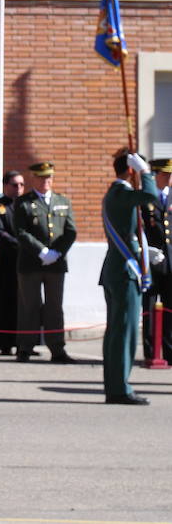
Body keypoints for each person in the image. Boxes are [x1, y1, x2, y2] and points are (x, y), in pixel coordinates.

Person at [100, 151, 159, 404]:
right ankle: (119, 389)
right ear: (131, 170)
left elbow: (128, 232)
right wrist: (146, 173)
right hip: (124, 272)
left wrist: (146, 250)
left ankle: (115, 385)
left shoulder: (117, 194)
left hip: (118, 268)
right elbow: (151, 197)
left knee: (117, 332)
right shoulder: (121, 193)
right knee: (124, 333)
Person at [13, 162, 77, 363]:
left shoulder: (63, 201)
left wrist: (57, 252)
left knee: (54, 307)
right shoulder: (23, 202)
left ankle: (57, 349)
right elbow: (21, 231)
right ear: (34, 178)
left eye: (49, 177)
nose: (46, 181)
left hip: (56, 264)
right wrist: (41, 251)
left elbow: (70, 231)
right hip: (31, 263)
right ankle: (25, 347)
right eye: (42, 177)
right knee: (29, 306)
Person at [0, 170, 25, 354]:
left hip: (26, 261)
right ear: (5, 186)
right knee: (6, 302)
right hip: (6, 262)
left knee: (26, 302)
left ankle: (26, 342)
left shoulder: (27, 205)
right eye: (15, 185)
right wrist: (19, 243)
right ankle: (6, 343)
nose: (19, 189)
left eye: (22, 185)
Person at [142, 158, 172, 363]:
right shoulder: (146, 199)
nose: (169, 178)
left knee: (170, 308)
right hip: (152, 261)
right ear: (155, 175)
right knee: (150, 308)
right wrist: (146, 250)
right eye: (165, 174)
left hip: (171, 261)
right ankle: (151, 352)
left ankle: (170, 352)